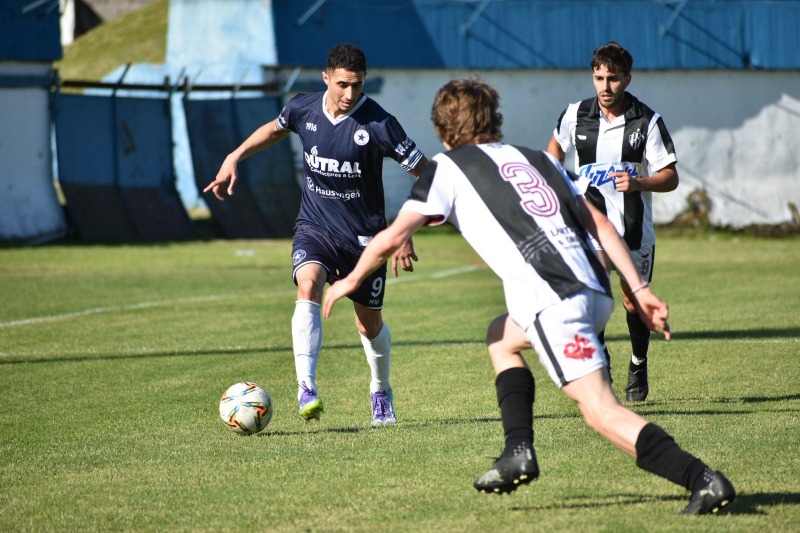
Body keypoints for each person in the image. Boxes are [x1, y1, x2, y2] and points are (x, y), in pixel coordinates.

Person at [322, 78, 734, 515]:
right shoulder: (538, 158)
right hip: (594, 288)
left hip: (556, 301)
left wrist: (350, 280)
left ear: (443, 131)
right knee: (501, 337)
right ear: (494, 121)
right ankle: (518, 450)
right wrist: (640, 288)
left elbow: (392, 236)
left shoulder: (447, 167)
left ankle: (703, 479)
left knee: (600, 412)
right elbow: (602, 225)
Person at [204, 43, 428, 425]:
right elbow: (274, 130)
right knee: (308, 284)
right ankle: (305, 387)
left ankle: (380, 391)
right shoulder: (302, 107)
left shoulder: (380, 124)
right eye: (342, 84)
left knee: (368, 324)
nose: (349, 94)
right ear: (326, 78)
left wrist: (405, 228)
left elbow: (427, 173)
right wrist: (234, 157)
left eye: (357, 85)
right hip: (315, 227)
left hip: (365, 240)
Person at [546, 41, 680, 402]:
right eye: (599, 78)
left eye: (614, 79)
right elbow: (554, 152)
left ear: (627, 79)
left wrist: (639, 182)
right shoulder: (575, 115)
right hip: (589, 228)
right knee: (593, 297)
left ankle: (638, 362)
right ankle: (600, 360)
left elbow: (670, 176)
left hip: (634, 231)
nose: (605, 87)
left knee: (633, 302)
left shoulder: (646, 121)